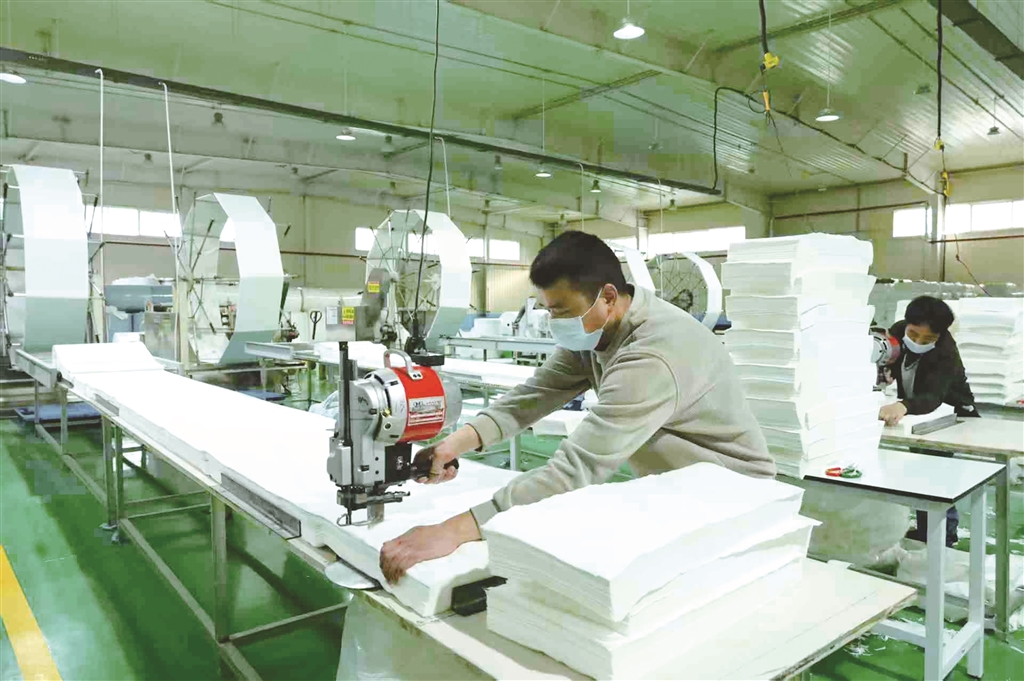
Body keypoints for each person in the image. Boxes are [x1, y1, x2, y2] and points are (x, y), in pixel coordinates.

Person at [379, 230, 775, 582]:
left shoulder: (653, 355)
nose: (555, 323)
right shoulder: (595, 332)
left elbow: (577, 468)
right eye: (549, 310)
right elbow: (533, 396)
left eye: (562, 312)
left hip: (732, 495)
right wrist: (454, 445)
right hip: (678, 487)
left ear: (608, 297)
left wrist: (454, 530)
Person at [879, 295, 978, 547]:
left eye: (927, 339)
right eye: (913, 334)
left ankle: (944, 536)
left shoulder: (946, 352)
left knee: (939, 476)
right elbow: (886, 361)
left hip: (950, 414)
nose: (918, 342)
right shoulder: (897, 333)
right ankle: (926, 531)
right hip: (919, 412)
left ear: (940, 335)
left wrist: (903, 405)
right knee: (920, 471)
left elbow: (934, 396)